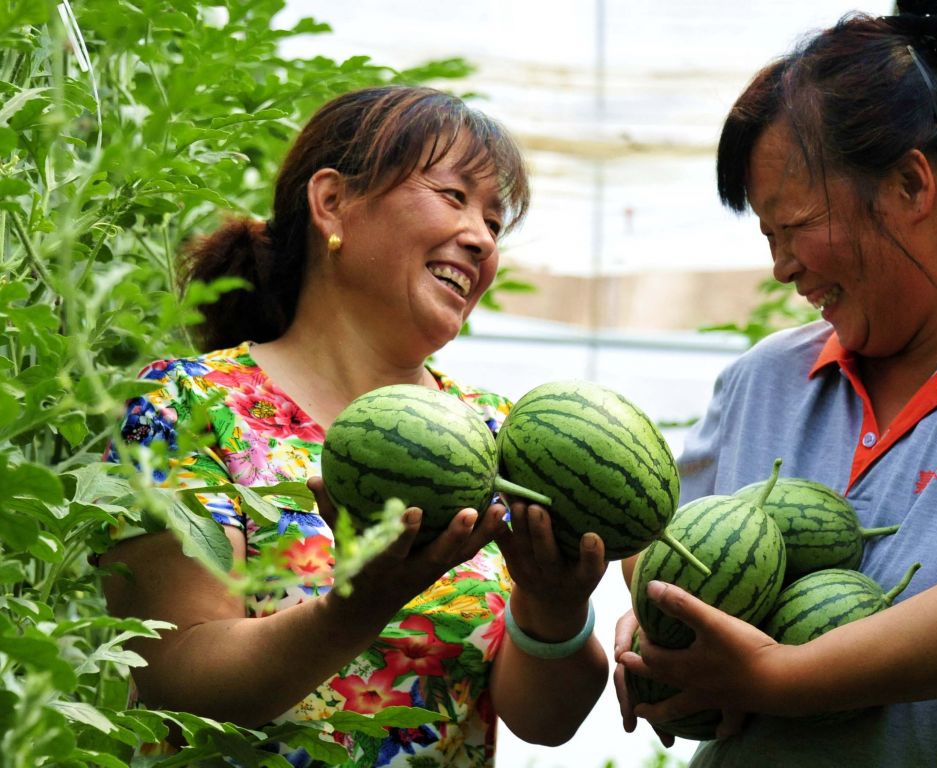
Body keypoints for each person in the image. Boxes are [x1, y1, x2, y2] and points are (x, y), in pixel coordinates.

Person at [614, 2, 937, 766]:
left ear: (910, 185)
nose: (782, 268)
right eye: (768, 239)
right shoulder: (762, 381)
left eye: (794, 224)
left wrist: (786, 676)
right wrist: (662, 625)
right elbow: (655, 535)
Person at [101, 85, 608, 767]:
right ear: (332, 202)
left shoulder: (500, 434)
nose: (482, 238)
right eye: (455, 196)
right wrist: (354, 604)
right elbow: (177, 675)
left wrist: (554, 609)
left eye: (494, 221)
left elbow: (544, 722)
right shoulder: (186, 407)